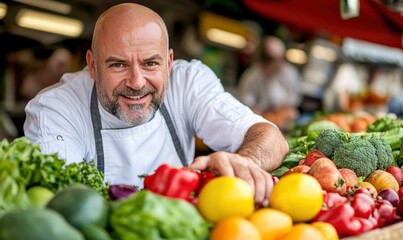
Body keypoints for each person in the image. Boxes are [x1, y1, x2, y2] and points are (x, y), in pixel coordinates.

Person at [23, 3, 289, 204]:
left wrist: (246, 162)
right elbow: (61, 205)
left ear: (169, 62)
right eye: (118, 64)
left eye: (151, 63)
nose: (137, 82)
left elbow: (269, 137)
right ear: (92, 65)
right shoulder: (56, 109)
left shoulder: (188, 82)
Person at [238, 36, 302, 130]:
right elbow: (246, 101)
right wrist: (264, 114)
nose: (279, 63)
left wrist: (282, 111)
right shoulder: (251, 75)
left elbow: (294, 100)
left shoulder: (289, 73)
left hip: (283, 123)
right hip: (257, 123)